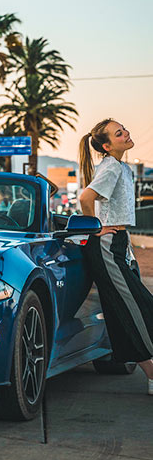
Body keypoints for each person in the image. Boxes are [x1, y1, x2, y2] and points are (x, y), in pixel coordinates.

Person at [79, 118, 153, 395]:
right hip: (107, 244)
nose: (127, 134)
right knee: (137, 306)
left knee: (122, 311)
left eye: (125, 130)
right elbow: (86, 198)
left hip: (119, 243)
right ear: (107, 146)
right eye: (119, 133)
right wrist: (93, 226)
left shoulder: (121, 167)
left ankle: (151, 376)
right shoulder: (110, 167)